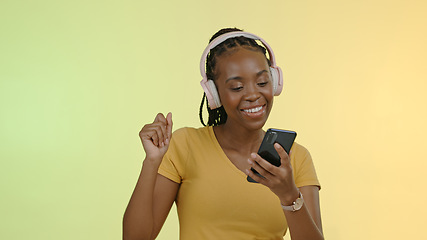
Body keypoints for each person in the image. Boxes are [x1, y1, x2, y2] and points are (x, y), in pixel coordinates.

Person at [123, 28, 324, 240]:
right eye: (237, 87)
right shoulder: (185, 145)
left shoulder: (296, 158)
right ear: (214, 94)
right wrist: (151, 162)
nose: (253, 94)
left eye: (263, 82)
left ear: (275, 82)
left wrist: (289, 195)